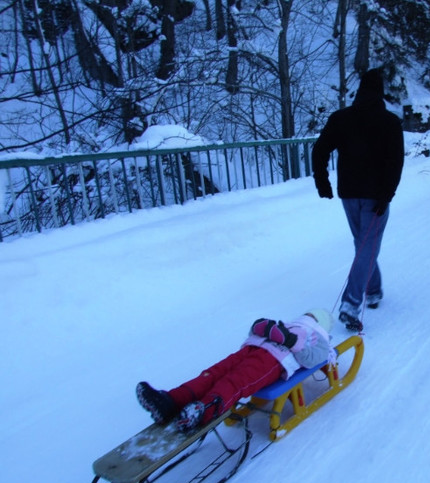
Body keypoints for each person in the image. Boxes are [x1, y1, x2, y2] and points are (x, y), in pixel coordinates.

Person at [312, 68, 404, 331]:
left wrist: (322, 181)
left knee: (363, 245)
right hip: (376, 197)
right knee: (366, 246)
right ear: (380, 93)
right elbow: (396, 162)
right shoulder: (390, 122)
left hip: (350, 194)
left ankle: (373, 290)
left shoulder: (342, 118)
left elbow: (319, 150)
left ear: (360, 91)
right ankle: (351, 303)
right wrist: (387, 195)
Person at [136, 309, 335, 432]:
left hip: (275, 360)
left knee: (234, 381)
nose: (307, 317)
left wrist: (290, 341)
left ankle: (204, 410)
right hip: (252, 348)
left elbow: (312, 359)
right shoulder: (286, 324)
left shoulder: (319, 338)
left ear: (320, 323)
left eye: (312, 316)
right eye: (307, 314)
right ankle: (169, 402)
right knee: (211, 374)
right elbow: (259, 332)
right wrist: (264, 330)